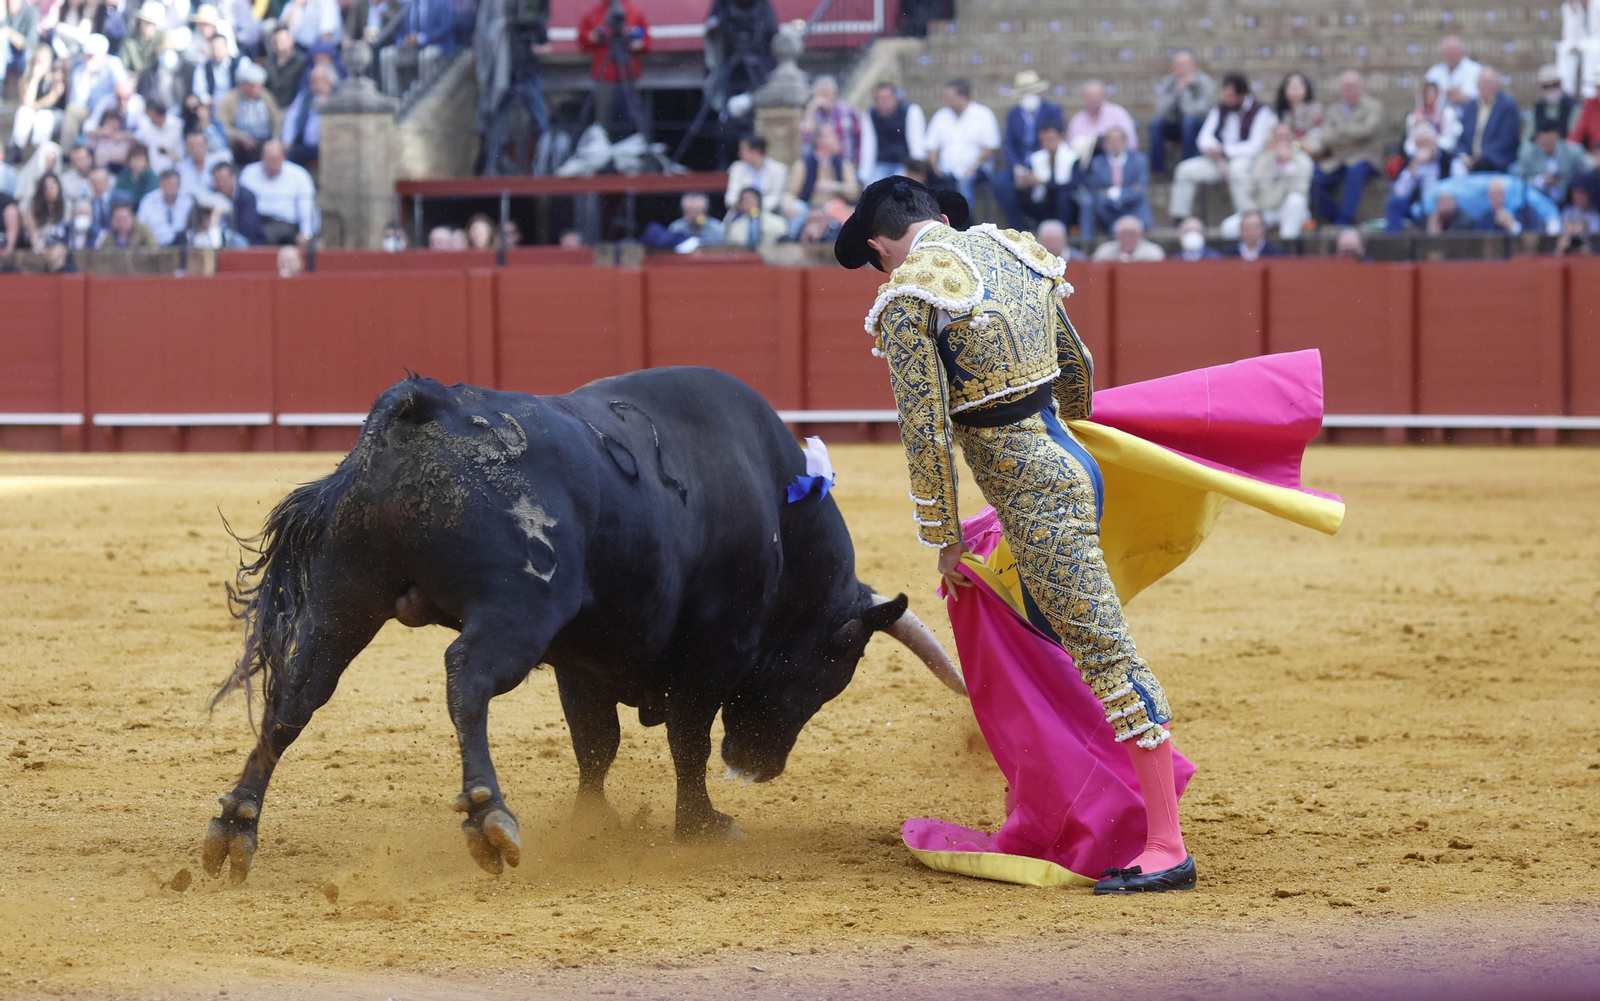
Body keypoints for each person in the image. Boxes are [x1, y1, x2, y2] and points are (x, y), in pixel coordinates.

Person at [834, 176, 1194, 894]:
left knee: (1100, 647)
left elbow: (926, 434)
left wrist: (943, 540)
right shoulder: (1017, 252)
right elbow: (1077, 371)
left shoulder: (910, 298)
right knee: (1032, 625)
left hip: (1036, 497)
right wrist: (1083, 449)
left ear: (880, 246)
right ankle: (1061, 802)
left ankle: (1165, 844)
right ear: (939, 216)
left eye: (877, 261)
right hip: (1071, 467)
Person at [1168, 73, 1277, 221]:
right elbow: (1203, 138)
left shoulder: (1261, 111)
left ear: (1242, 95)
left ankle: (1248, 218)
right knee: (1184, 170)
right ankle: (1180, 219)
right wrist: (1218, 155)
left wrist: (1225, 151)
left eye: (1230, 96)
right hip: (1218, 161)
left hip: (1248, 160)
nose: (1226, 99)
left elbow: (1255, 146)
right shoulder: (1220, 109)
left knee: (1237, 169)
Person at [479, 0, 551, 177]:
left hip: (521, 64)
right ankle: (493, 165)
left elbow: (535, 20)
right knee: (502, 116)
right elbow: (536, 23)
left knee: (539, 117)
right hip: (511, 64)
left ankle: (546, 165)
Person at [1304, 70, 1382, 226]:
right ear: (1340, 89)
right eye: (1346, 86)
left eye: (1353, 86)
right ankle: (1336, 219)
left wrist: (1340, 130)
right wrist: (1352, 133)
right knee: (1315, 180)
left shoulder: (1373, 106)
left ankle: (1345, 221)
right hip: (1338, 160)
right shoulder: (1334, 110)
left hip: (1365, 158)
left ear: (1362, 87)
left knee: (1355, 172)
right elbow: (1325, 138)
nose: (1350, 90)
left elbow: (1367, 131)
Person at [993, 69, 1064, 229]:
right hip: (1020, 164)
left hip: (1046, 163)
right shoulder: (1013, 114)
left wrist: (1037, 170)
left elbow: (1055, 139)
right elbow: (1009, 144)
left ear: (1039, 92)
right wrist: (1017, 167)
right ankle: (1017, 227)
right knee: (1000, 184)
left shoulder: (1052, 110)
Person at [923, 78, 1000, 216]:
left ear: (964, 96)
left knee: (965, 183)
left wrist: (972, 167)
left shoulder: (983, 114)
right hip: (945, 171)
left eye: (950, 97)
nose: (947, 101)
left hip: (975, 170)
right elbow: (931, 147)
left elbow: (990, 148)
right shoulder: (940, 116)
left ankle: (964, 221)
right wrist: (935, 169)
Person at [576, 0, 649, 139]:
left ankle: (633, 145)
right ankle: (602, 149)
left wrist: (635, 43)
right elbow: (583, 40)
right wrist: (594, 37)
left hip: (628, 73)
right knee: (603, 120)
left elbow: (645, 40)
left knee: (632, 115)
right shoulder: (594, 12)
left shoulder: (634, 11)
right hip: (605, 75)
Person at [1229, 122, 1312, 240]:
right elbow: (1252, 190)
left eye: (1285, 136)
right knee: (1229, 227)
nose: (1282, 141)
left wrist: (1287, 166)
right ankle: (1252, 254)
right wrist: (1254, 215)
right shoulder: (1263, 160)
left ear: (1292, 138)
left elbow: (1300, 192)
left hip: (1291, 212)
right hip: (1265, 212)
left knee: (1295, 201)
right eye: (1278, 137)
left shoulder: (1303, 160)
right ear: (1273, 139)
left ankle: (1286, 247)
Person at [1385, 124, 1466, 231]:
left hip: (1444, 208)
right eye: (1420, 144)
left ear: (1435, 143)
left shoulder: (1451, 161)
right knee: (1394, 202)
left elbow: (1463, 188)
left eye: (1426, 143)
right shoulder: (1413, 162)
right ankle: (1393, 241)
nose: (1424, 147)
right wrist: (1413, 167)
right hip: (1418, 209)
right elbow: (1400, 192)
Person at [1148, 49, 1215, 176]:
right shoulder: (1168, 81)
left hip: (1197, 126)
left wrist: (1185, 91)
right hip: (1175, 125)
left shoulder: (1205, 82)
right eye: (1178, 65)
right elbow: (1161, 111)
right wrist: (1177, 91)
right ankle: (1157, 170)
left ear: (1193, 65)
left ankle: (1187, 166)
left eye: (1185, 64)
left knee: (1188, 123)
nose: (1181, 68)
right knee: (1156, 124)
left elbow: (1193, 112)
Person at [782, 126, 859, 236]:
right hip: (809, 209)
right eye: (832, 136)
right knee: (798, 208)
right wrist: (788, 205)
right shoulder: (802, 164)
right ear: (820, 141)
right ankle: (792, 238)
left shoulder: (843, 164)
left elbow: (854, 190)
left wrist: (834, 186)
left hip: (835, 209)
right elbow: (790, 191)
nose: (837, 139)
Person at [237, 138, 315, 244]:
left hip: (284, 225)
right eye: (268, 159)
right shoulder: (248, 173)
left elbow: (306, 208)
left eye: (275, 159)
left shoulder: (299, 175)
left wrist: (306, 234)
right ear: (262, 158)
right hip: (254, 222)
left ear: (283, 158)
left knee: (262, 235)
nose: (271, 164)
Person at [378, 0, 454, 98]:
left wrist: (421, 38)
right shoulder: (406, 5)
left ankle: (423, 97)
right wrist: (402, 42)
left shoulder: (440, 3)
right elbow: (398, 30)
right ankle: (392, 96)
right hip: (410, 49)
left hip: (435, 45)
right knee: (386, 54)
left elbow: (445, 27)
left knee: (426, 56)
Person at [63, 34, 127, 145]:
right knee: (72, 110)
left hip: (109, 109)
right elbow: (77, 100)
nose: (90, 58)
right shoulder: (80, 70)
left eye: (93, 55)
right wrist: (86, 74)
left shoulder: (114, 63)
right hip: (89, 109)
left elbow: (122, 87)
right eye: (88, 55)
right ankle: (66, 153)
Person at [1085, 125, 1150, 234]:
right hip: (1109, 212)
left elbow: (1140, 190)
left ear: (1125, 142)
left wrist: (1113, 193)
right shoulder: (1097, 163)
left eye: (1118, 140)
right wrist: (1129, 190)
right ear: (1105, 144)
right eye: (1110, 140)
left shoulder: (1139, 160)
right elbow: (1097, 191)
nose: (1114, 144)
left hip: (1134, 210)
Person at [800, 75, 866, 182]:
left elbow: (860, 140)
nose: (824, 97)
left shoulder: (848, 111)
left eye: (827, 93)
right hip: (822, 166)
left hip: (846, 164)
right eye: (821, 94)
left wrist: (857, 163)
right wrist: (810, 109)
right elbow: (806, 140)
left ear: (834, 93)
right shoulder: (814, 114)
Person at [215, 59, 279, 164]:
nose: (258, 89)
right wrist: (240, 137)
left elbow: (277, 120)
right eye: (254, 86)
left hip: (265, 140)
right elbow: (221, 125)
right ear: (244, 85)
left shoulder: (265, 96)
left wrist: (275, 139)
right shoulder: (230, 99)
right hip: (240, 143)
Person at [7, 45, 65, 161]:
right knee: (24, 112)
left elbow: (52, 99)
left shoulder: (57, 76)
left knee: (43, 116)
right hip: (34, 112)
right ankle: (17, 148)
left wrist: (34, 106)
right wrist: (35, 78)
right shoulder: (26, 78)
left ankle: (38, 152)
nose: (40, 63)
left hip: (54, 114)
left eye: (43, 60)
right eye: (38, 60)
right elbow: (27, 102)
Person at [1458, 68, 1521, 173]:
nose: (1486, 86)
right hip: (1469, 162)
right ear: (1478, 85)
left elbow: (1506, 140)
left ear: (1497, 85)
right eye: (1483, 82)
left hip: (1496, 161)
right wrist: (1464, 156)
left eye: (1490, 83)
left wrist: (1479, 159)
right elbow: (1462, 138)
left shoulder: (1508, 106)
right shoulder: (1469, 107)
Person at [864, 82, 926, 185]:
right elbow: (868, 146)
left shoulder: (911, 111)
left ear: (895, 97)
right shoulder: (870, 115)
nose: (882, 102)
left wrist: (917, 171)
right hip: (881, 164)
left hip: (904, 164)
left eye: (886, 98)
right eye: (878, 99)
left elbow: (916, 144)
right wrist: (864, 175)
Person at [1019, 122, 1079, 230]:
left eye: (1051, 139)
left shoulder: (1072, 157)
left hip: (1066, 202)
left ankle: (1063, 231)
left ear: (1061, 137)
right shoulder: (1036, 158)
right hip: (1043, 200)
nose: (1047, 143)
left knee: (1063, 196)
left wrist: (1043, 182)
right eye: (1044, 140)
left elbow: (1072, 184)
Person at [1515, 124, 1591, 205]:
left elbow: (1585, 176)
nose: (1547, 145)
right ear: (1537, 139)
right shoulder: (1527, 153)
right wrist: (1540, 181)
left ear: (1558, 137)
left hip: (1569, 200)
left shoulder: (1574, 152)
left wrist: (1562, 181)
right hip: (1538, 201)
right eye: (1544, 143)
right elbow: (1519, 180)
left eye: (1551, 142)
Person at [280, 62, 333, 166]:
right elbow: (291, 118)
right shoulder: (305, 96)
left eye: (316, 80)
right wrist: (287, 140)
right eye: (312, 79)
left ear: (328, 82)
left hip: (327, 145)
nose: (312, 82)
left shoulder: (336, 98)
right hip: (304, 145)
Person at [1066, 79, 1137, 153]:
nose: (1093, 99)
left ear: (1104, 96)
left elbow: (1132, 143)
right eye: (1089, 96)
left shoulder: (1119, 114)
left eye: (1097, 95)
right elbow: (1070, 148)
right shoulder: (1077, 120)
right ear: (1084, 98)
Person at [724, 134, 787, 213]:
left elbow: (776, 197)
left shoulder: (779, 169)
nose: (739, 154)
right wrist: (745, 206)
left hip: (770, 214)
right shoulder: (736, 168)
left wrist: (755, 208)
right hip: (741, 213)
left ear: (756, 151)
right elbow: (730, 197)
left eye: (743, 150)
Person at [208, 158, 262, 243]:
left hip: (245, 241)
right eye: (217, 181)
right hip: (217, 238)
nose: (221, 184)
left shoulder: (247, 196)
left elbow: (247, 227)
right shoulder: (211, 195)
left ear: (233, 178)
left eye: (224, 180)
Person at [1404, 80, 1462, 157]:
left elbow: (1450, 143)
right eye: (1426, 95)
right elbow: (1409, 145)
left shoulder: (1448, 115)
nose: (1429, 99)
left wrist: (1432, 142)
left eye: (1433, 95)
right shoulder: (1413, 117)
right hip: (1419, 158)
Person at [136, 166, 192, 243]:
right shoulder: (148, 201)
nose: (170, 189)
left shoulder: (188, 201)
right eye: (166, 185)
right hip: (155, 245)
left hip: (181, 246)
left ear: (179, 186)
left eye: (173, 185)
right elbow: (140, 226)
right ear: (160, 185)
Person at [1425, 35, 1482, 108]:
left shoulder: (1475, 70)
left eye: (1454, 50)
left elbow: (1479, 96)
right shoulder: (1434, 72)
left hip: (1467, 114)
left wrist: (1462, 96)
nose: (1451, 54)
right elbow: (1426, 96)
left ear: (1462, 51)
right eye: (1448, 51)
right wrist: (1445, 93)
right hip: (1439, 116)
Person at [1272, 71, 1323, 147]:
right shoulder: (1281, 114)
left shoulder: (1316, 110)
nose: (1295, 87)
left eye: (1299, 84)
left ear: (1306, 88)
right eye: (1291, 85)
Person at [189, 30, 239, 104]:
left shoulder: (239, 64)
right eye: (213, 48)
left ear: (226, 47)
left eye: (219, 48)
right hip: (212, 105)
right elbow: (199, 91)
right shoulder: (203, 67)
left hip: (235, 104)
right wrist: (207, 101)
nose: (216, 52)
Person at [262, 25, 305, 110]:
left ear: (292, 39)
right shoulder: (269, 62)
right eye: (275, 42)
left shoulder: (302, 62)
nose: (279, 45)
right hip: (272, 108)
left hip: (293, 108)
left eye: (282, 41)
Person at [1, 0, 42, 87]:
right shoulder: (4, 11)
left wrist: (9, 32)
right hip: (5, 54)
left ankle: (26, 89)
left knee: (29, 54)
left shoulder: (31, 12)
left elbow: (29, 43)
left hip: (23, 55)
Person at [1092, 213, 1164, 262]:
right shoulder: (1105, 250)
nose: (1127, 238)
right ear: (1116, 235)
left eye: (1132, 234)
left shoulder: (1153, 252)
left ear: (1141, 235)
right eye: (1123, 234)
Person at [134, 98, 182, 171]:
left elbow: (181, 156)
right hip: (153, 174)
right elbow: (136, 139)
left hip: (174, 173)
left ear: (153, 113)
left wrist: (167, 152)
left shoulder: (177, 127)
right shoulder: (147, 127)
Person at [24, 172, 68, 249]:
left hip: (61, 247)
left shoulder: (66, 207)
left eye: (53, 186)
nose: (50, 190)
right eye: (46, 187)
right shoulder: (33, 209)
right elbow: (32, 234)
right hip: (40, 248)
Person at [175, 127, 226, 194]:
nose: (195, 149)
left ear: (207, 146)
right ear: (187, 149)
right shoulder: (179, 168)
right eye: (192, 146)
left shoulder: (218, 164)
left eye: (199, 145)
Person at [1534, 63, 1579, 138]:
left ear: (1560, 84)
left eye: (1555, 85)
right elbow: (1528, 137)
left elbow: (1575, 136)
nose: (1551, 89)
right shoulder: (1538, 107)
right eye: (1547, 86)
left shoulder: (1573, 106)